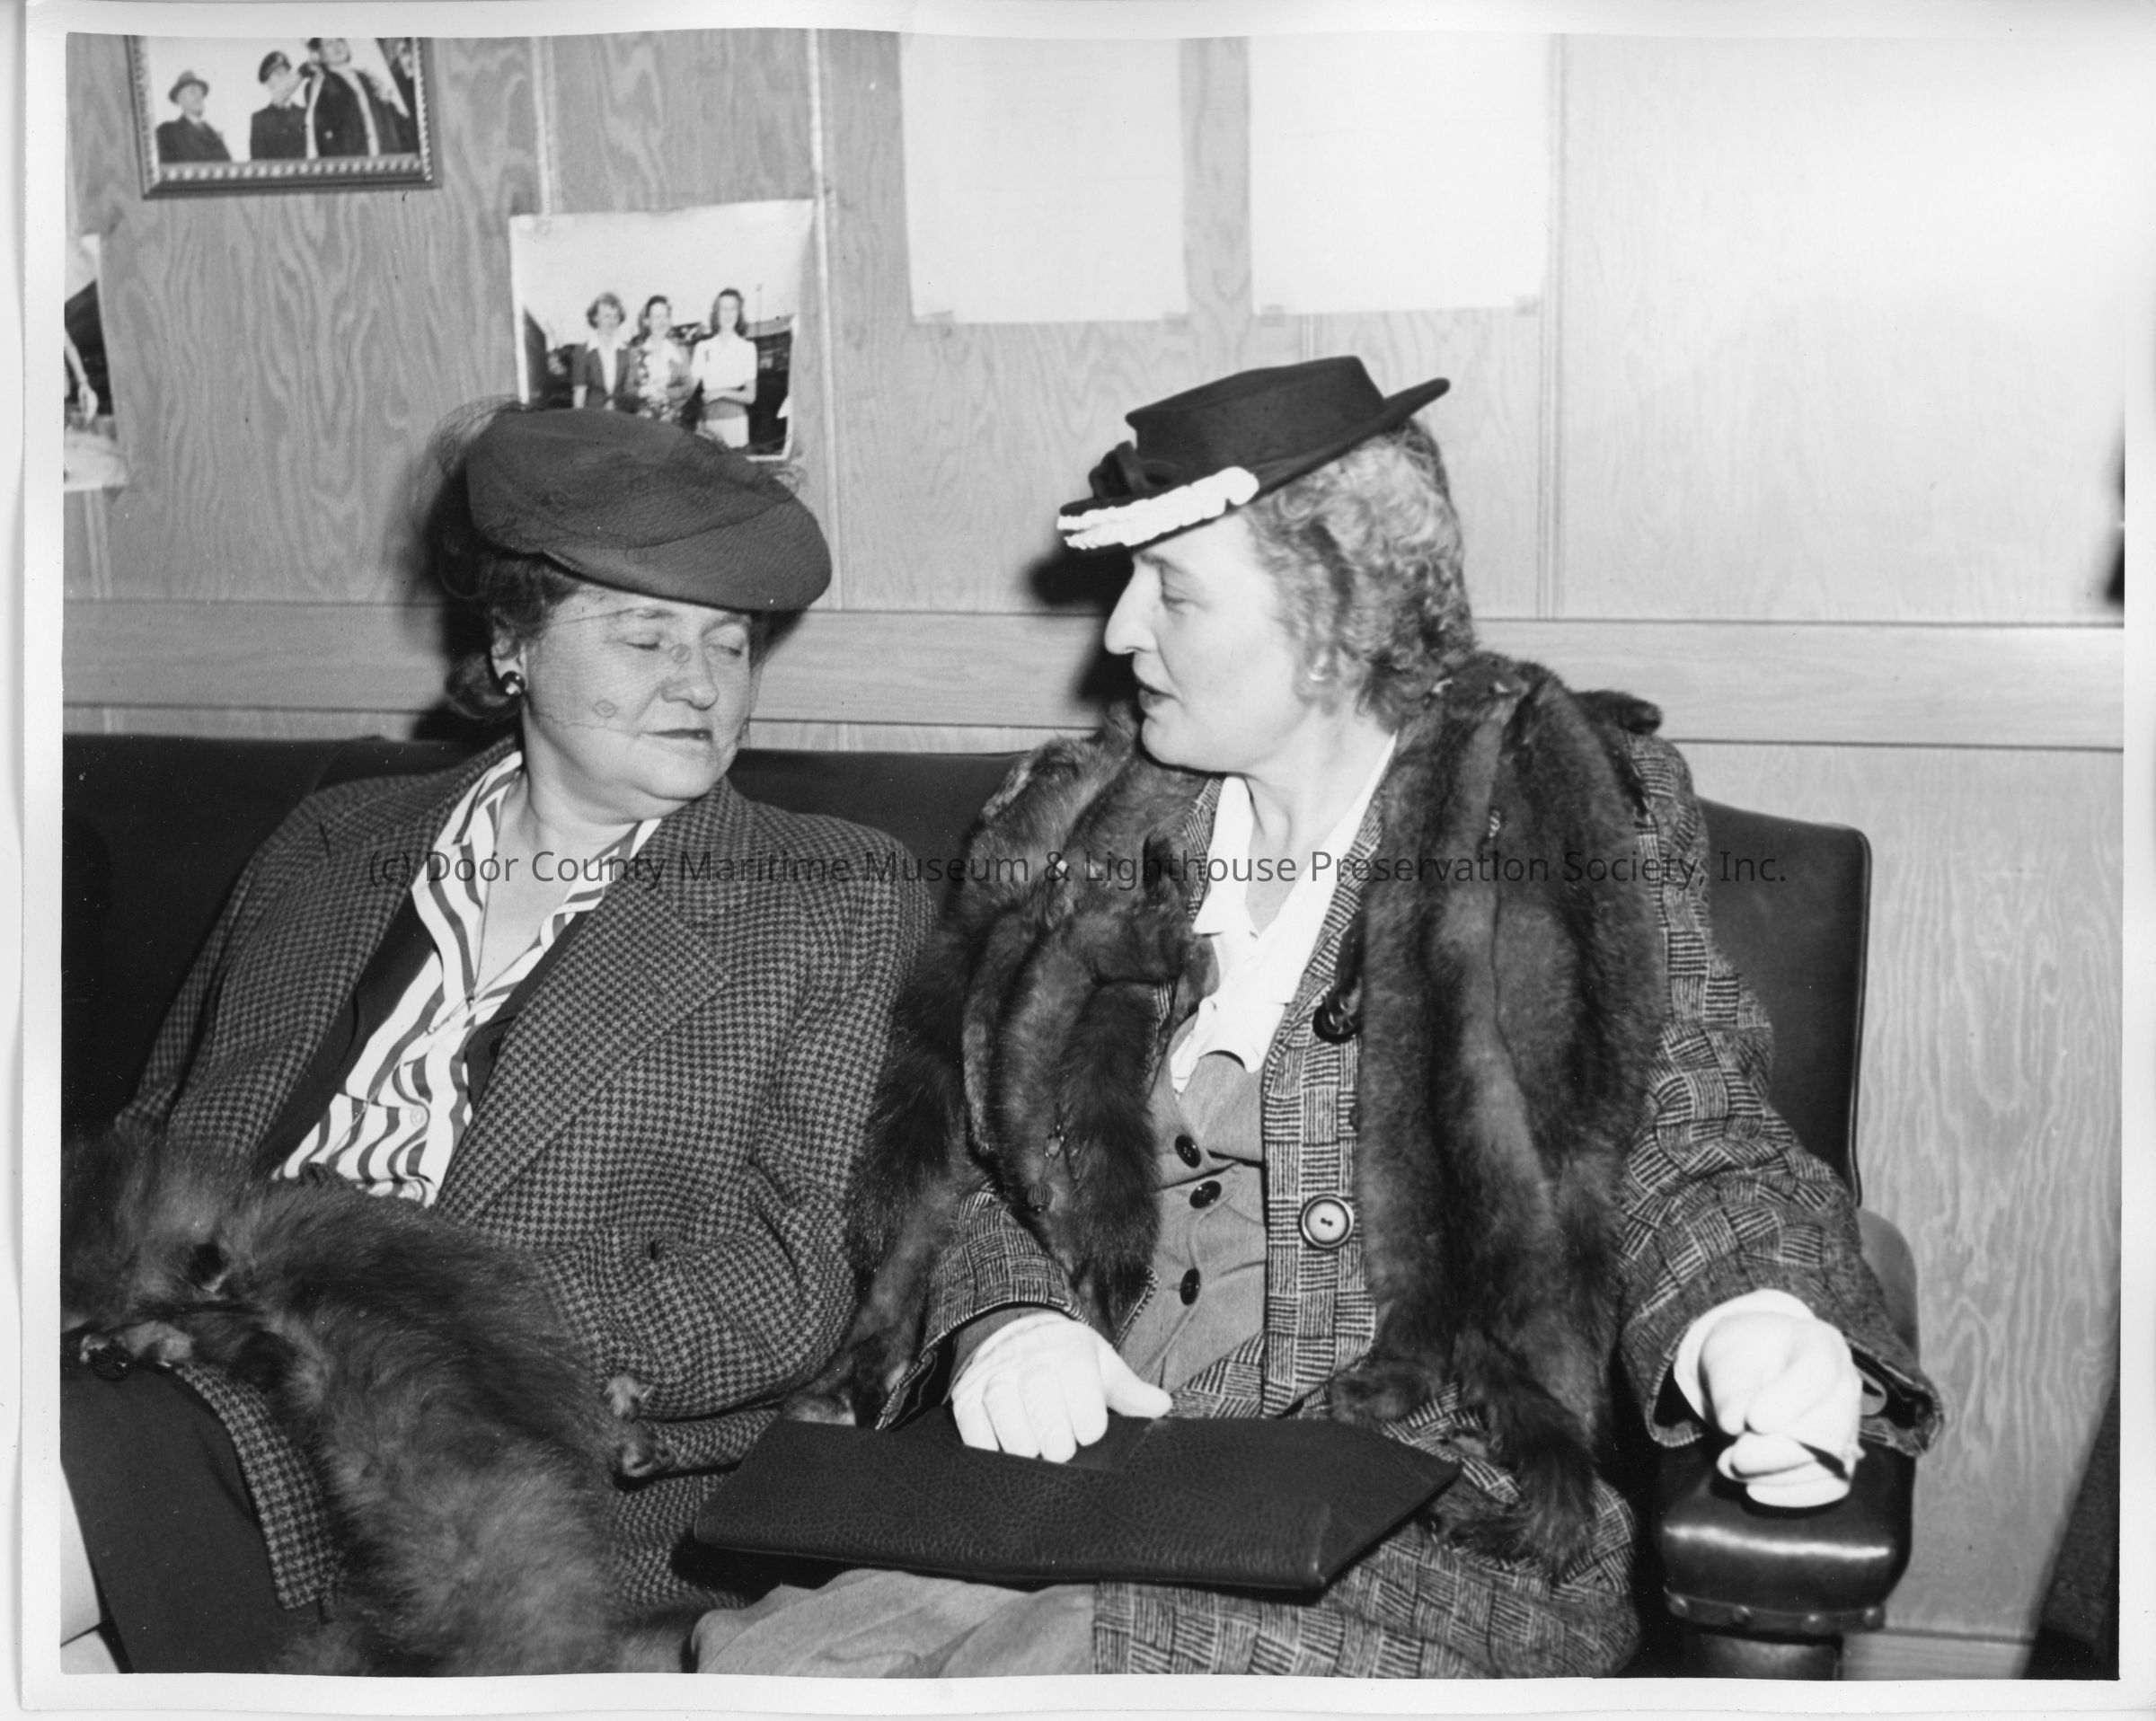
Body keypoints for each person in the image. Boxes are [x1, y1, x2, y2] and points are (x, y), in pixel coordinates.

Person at [694, 357, 1941, 1678]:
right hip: (1070, 1492)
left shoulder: (1547, 815)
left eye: (1172, 590)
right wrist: (1012, 1322)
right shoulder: (1081, 828)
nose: (1119, 634)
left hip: (1414, 1532)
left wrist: (1754, 1318)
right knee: (770, 1667)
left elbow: (1691, 1137)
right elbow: (976, 1167)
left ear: (1340, 607)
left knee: (1037, 1674)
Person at [61, 407, 932, 1672]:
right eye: (646, 636)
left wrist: (391, 1315)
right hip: (168, 1355)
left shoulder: (832, 894)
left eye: (730, 644)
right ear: (513, 642)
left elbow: (792, 1278)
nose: (701, 685)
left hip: (476, 1452)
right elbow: (159, 1135)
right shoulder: (334, 840)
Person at [300, 37, 408, 157]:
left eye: (340, 40)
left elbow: (389, 119)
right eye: (329, 44)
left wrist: (386, 100)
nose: (337, 46)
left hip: (383, 157)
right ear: (321, 54)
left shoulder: (367, 78)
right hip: (350, 160)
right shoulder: (318, 86)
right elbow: (324, 128)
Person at [689, 289, 759, 450]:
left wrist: (719, 393)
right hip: (708, 423)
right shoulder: (703, 347)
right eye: (723, 309)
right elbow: (688, 389)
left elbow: (750, 396)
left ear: (739, 313)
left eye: (733, 308)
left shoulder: (748, 348)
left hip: (736, 424)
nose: (728, 314)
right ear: (716, 313)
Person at [571, 293, 640, 412]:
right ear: (595, 318)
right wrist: (580, 420)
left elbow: (631, 390)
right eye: (607, 316)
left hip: (621, 414)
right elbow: (580, 393)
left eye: (615, 316)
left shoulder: (627, 350)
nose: (612, 321)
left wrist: (617, 403)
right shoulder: (582, 352)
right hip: (593, 415)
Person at [631, 296, 694, 426]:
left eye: (665, 316)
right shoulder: (635, 353)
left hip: (674, 420)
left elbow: (688, 387)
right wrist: (645, 391)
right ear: (647, 321)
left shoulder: (680, 351)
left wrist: (666, 393)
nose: (662, 322)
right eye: (657, 317)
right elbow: (628, 388)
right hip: (644, 421)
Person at [154, 72, 229, 164]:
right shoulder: (167, 132)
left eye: (201, 93)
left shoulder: (213, 134)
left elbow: (228, 165)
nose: (199, 97)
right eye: (193, 92)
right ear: (180, 100)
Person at [249, 52, 307, 161]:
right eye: (278, 74)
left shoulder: (305, 115)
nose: (284, 78)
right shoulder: (260, 120)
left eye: (286, 73)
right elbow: (258, 160)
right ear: (267, 83)